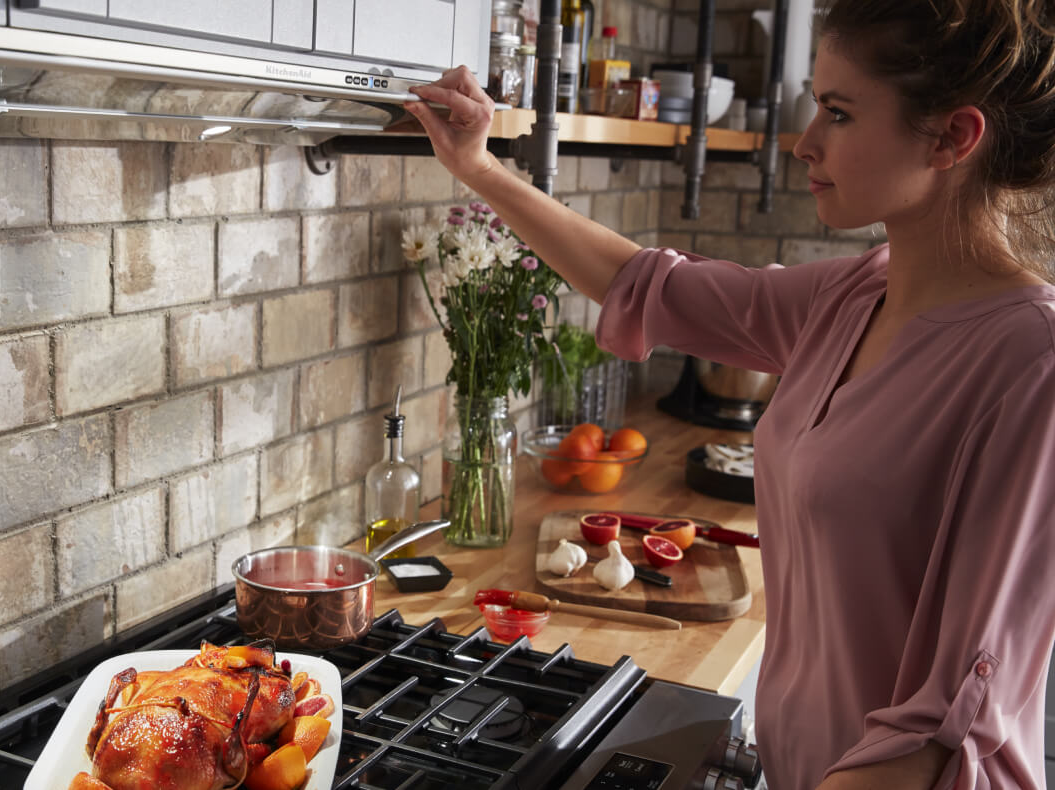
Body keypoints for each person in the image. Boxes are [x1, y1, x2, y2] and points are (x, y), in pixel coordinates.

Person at [405, 2, 1055, 789]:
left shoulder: (1030, 361)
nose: (806, 142)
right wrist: (479, 167)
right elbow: (648, 287)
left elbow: (948, 720)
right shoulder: (855, 297)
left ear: (955, 136)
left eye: (839, 113)